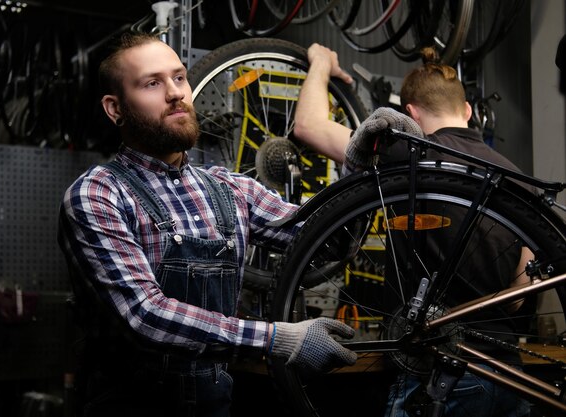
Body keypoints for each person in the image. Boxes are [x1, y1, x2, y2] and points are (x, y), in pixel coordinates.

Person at [57, 33, 357, 417]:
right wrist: (277, 338)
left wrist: (360, 165)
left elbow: (331, 242)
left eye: (179, 78)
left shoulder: (231, 189)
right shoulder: (97, 195)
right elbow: (144, 316)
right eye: (152, 83)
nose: (175, 93)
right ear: (115, 109)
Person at [294, 43, 533, 417]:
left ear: (410, 116)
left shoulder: (408, 153)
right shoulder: (519, 178)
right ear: (468, 111)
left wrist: (321, 62)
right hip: (509, 375)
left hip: (437, 378)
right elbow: (519, 297)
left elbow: (308, 126)